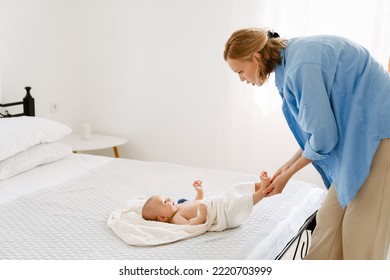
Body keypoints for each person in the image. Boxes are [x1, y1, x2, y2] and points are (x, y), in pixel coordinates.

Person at [224, 28, 390, 260]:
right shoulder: (291, 63)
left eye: (240, 71)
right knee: (327, 230)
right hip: (354, 138)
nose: (242, 79)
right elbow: (318, 130)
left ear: (256, 57)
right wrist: (286, 166)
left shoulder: (300, 67)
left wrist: (288, 175)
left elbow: (324, 137)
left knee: (362, 238)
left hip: (378, 136)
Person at [141, 171, 271, 225]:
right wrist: (201, 217)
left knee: (235, 189)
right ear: (162, 218)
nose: (169, 198)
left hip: (220, 202)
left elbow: (197, 202)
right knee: (240, 203)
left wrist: (199, 192)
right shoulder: (176, 219)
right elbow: (190, 225)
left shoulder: (180, 206)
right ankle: (263, 191)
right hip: (223, 215)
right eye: (165, 202)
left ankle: (260, 185)